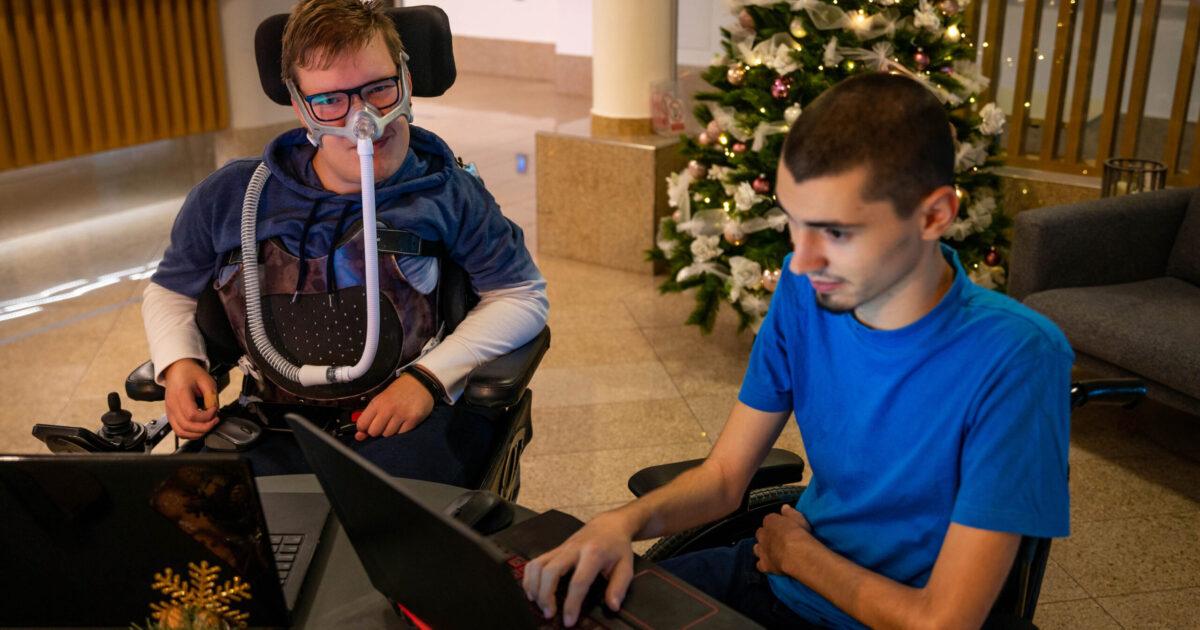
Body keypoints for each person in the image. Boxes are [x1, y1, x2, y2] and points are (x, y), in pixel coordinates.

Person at [522, 73, 1072, 629]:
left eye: (836, 232)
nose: (803, 260)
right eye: (794, 223)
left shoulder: (1018, 356)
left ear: (934, 215)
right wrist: (620, 524)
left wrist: (803, 558)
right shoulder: (804, 288)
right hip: (782, 580)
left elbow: (942, 622)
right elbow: (725, 478)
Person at [142, 0, 547, 484]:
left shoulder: (447, 193)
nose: (363, 120)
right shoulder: (232, 196)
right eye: (331, 100)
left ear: (407, 82)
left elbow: (521, 295)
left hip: (403, 419)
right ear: (300, 107)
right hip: (271, 423)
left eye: (378, 89)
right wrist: (180, 361)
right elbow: (170, 290)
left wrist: (430, 378)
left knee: (385, 535)